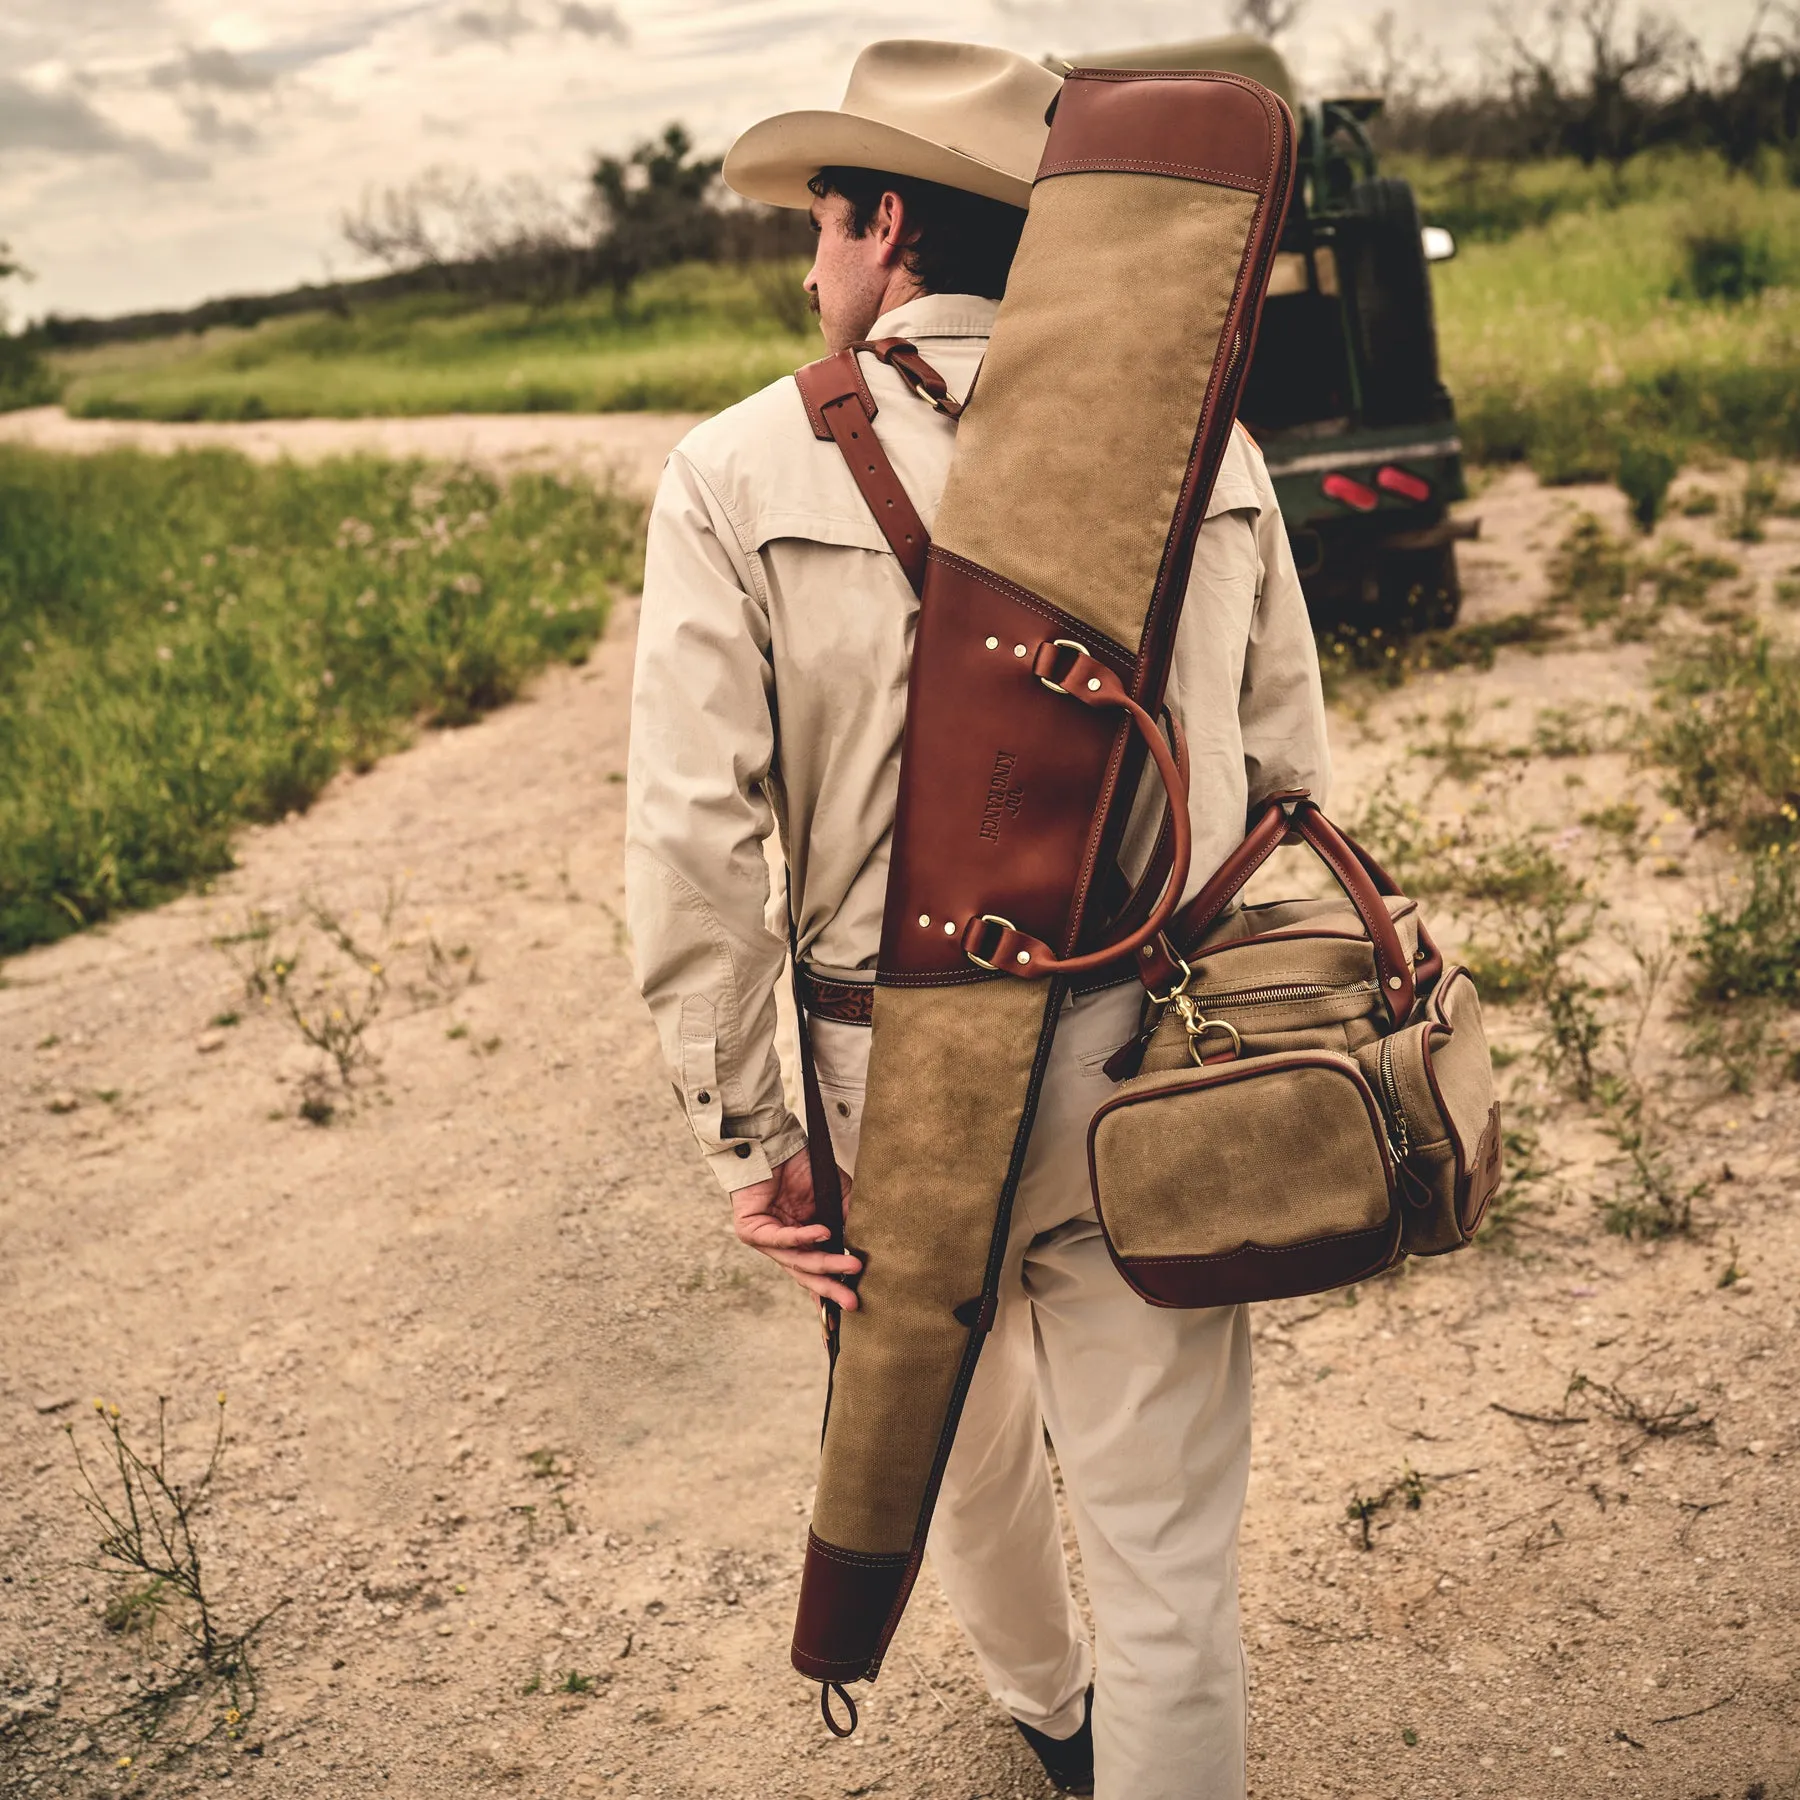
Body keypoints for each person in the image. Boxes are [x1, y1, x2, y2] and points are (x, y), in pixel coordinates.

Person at [625, 39, 1329, 1800]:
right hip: (1150, 1062)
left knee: (945, 1436)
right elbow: (1293, 787)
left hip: (886, 1081)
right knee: (1170, 1548)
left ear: (884, 226)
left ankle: (1048, 1716)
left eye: (820, 222)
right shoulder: (1203, 454)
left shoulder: (737, 470)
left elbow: (699, 844)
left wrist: (750, 1139)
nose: (809, 267)